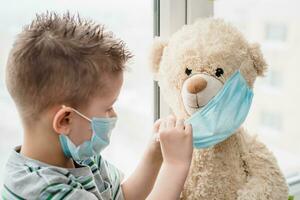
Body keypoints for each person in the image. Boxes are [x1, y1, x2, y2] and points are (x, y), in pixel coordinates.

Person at [2, 12, 193, 200]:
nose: (113, 115)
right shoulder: (43, 191)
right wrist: (175, 165)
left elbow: (122, 197)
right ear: (65, 119)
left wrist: (155, 154)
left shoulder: (80, 155)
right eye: (108, 107)